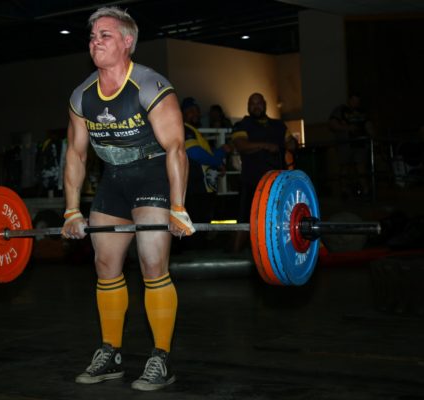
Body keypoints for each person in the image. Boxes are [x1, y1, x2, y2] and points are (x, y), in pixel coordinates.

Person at [61, 6, 195, 391]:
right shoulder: (82, 96)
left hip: (153, 174)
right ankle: (111, 353)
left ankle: (161, 358)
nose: (95, 42)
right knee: (105, 265)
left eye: (104, 35)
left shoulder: (151, 86)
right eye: (92, 37)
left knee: (152, 263)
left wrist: (178, 207)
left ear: (127, 41)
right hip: (113, 181)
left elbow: (176, 148)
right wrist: (71, 210)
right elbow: (76, 155)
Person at [231, 92, 296, 252]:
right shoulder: (242, 125)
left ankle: (277, 251)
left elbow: (291, 143)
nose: (256, 106)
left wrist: (289, 143)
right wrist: (266, 145)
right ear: (248, 106)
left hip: (277, 181)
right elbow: (241, 145)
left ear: (265, 105)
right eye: (252, 103)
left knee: (279, 216)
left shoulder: (279, 125)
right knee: (245, 217)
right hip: (252, 180)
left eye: (259, 103)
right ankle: (235, 253)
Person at [180, 97, 231, 249]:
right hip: (197, 188)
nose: (195, 114)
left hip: (203, 188)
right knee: (197, 223)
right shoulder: (185, 129)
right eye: (190, 111)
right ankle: (194, 255)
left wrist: (219, 155)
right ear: (182, 114)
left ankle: (198, 252)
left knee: (202, 223)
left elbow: (204, 154)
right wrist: (218, 157)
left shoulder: (193, 131)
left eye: (196, 111)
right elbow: (194, 153)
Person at [328, 92, 374, 199]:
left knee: (361, 166)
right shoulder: (341, 110)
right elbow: (332, 124)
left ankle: (366, 190)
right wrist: (347, 128)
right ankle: (344, 190)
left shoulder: (362, 112)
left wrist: (372, 136)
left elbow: (368, 124)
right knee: (344, 166)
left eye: (357, 101)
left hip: (360, 143)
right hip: (346, 144)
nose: (355, 103)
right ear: (349, 100)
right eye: (353, 100)